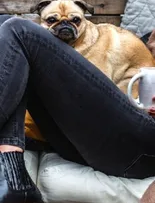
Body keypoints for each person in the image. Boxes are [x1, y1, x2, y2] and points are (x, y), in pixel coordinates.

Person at [0, 15, 155, 202]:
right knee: (5, 22)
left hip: (143, 148)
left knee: (21, 31)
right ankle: (13, 174)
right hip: (98, 143)